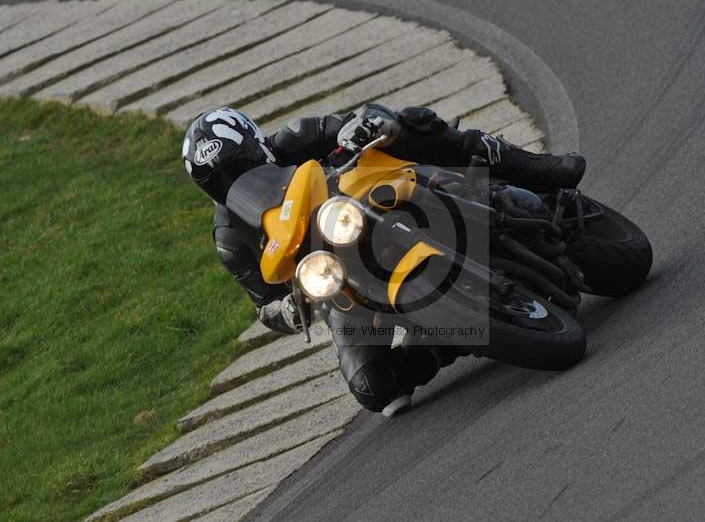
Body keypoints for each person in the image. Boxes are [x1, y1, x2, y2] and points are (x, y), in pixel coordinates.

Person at [182, 104, 585, 415]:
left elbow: (354, 122)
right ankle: (446, 339)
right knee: (374, 388)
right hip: (337, 277)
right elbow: (263, 304)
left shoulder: (294, 138)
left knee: (412, 124)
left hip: (372, 206)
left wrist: (368, 125)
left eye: (240, 165)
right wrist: (289, 307)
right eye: (218, 180)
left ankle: (532, 171)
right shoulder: (231, 238)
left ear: (255, 143)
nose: (233, 181)